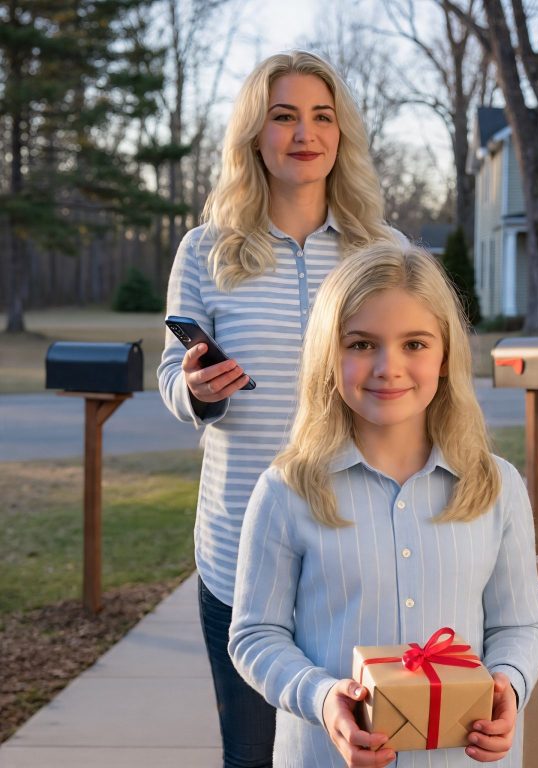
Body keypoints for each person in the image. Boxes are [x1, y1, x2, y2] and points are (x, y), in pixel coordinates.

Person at [157, 51, 399, 768]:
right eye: (284, 116)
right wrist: (195, 390)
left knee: (364, 748)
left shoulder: (380, 251)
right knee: (253, 756)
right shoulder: (206, 251)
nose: (305, 133)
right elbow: (174, 376)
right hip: (238, 550)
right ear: (255, 135)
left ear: (342, 134)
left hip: (357, 545)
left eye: (322, 116)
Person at [228, 242, 538, 768]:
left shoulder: (496, 485)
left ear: (446, 356)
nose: (388, 367)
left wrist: (508, 687)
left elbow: (520, 626)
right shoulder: (286, 490)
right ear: (329, 356)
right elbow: (256, 635)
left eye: (415, 344)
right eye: (361, 344)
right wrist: (321, 697)